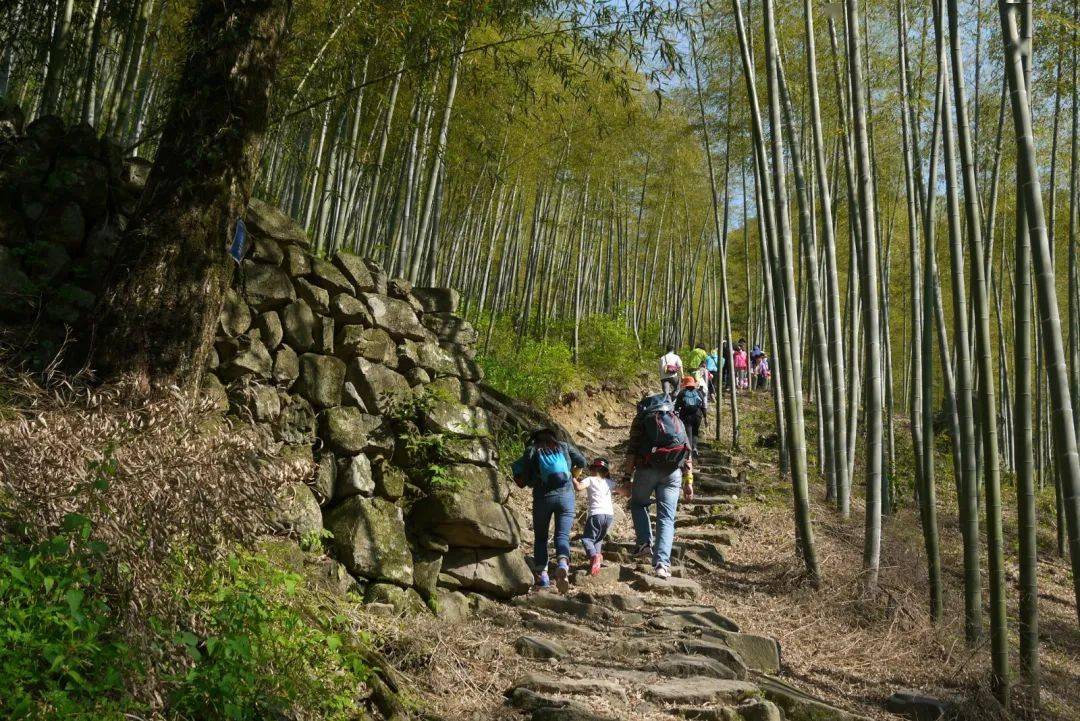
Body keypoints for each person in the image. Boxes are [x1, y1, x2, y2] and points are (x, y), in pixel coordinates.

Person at [621, 393, 693, 579]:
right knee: (667, 518)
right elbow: (687, 448)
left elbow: (632, 450)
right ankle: (662, 565)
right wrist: (688, 480)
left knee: (638, 504)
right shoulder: (675, 417)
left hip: (646, 470)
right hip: (672, 472)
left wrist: (627, 477)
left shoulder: (642, 419)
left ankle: (644, 544)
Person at [512, 428, 587, 592]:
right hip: (566, 497)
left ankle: (543, 577)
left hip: (543, 498)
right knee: (562, 535)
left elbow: (523, 478)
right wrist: (571, 473)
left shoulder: (532, 450)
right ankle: (562, 564)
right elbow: (582, 461)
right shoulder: (563, 446)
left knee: (541, 537)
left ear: (535, 439)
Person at [572, 458, 617, 576]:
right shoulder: (609, 482)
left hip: (596, 513)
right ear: (606, 472)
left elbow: (578, 488)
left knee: (587, 539)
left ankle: (594, 556)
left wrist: (574, 479)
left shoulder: (590, 479)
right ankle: (596, 562)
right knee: (598, 538)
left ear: (592, 470)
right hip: (609, 515)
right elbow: (624, 492)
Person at [675, 376, 706, 456]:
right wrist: (705, 418)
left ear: (685, 384)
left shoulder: (682, 393)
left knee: (688, 433)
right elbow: (703, 406)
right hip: (698, 415)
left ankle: (688, 453)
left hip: (686, 416)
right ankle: (695, 447)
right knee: (695, 432)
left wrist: (675, 414)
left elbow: (676, 406)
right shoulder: (699, 392)